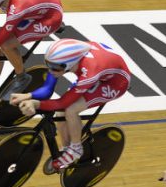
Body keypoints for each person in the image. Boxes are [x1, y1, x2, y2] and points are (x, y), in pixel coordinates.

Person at [11, 38, 132, 171]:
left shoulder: (89, 72)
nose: (51, 70)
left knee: (71, 109)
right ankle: (66, 148)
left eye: (55, 68)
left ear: (69, 64)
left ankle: (76, 149)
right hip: (102, 71)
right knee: (60, 113)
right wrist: (29, 95)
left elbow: (63, 102)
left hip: (116, 82)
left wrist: (36, 104)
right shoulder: (60, 60)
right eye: (48, 64)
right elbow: (47, 90)